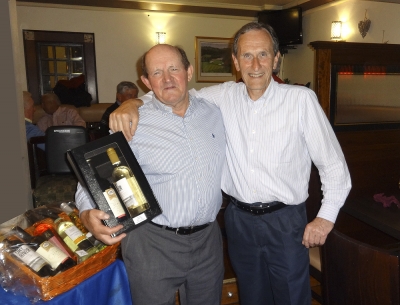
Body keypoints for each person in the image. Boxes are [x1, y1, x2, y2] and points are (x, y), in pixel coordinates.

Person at [109, 22, 352, 305]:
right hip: (239, 221)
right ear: (235, 61)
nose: (256, 64)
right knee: (251, 295)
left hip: (285, 222)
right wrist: (133, 103)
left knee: (290, 297)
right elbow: (173, 92)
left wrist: (325, 218)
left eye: (263, 54)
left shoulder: (301, 101)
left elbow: (334, 165)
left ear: (276, 58)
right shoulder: (222, 97)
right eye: (247, 56)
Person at [75, 44, 226, 305]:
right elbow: (94, 172)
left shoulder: (215, 112)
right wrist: (86, 213)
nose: (167, 79)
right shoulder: (132, 121)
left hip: (208, 242)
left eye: (173, 69)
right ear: (146, 81)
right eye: (157, 73)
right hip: (152, 243)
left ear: (188, 71)